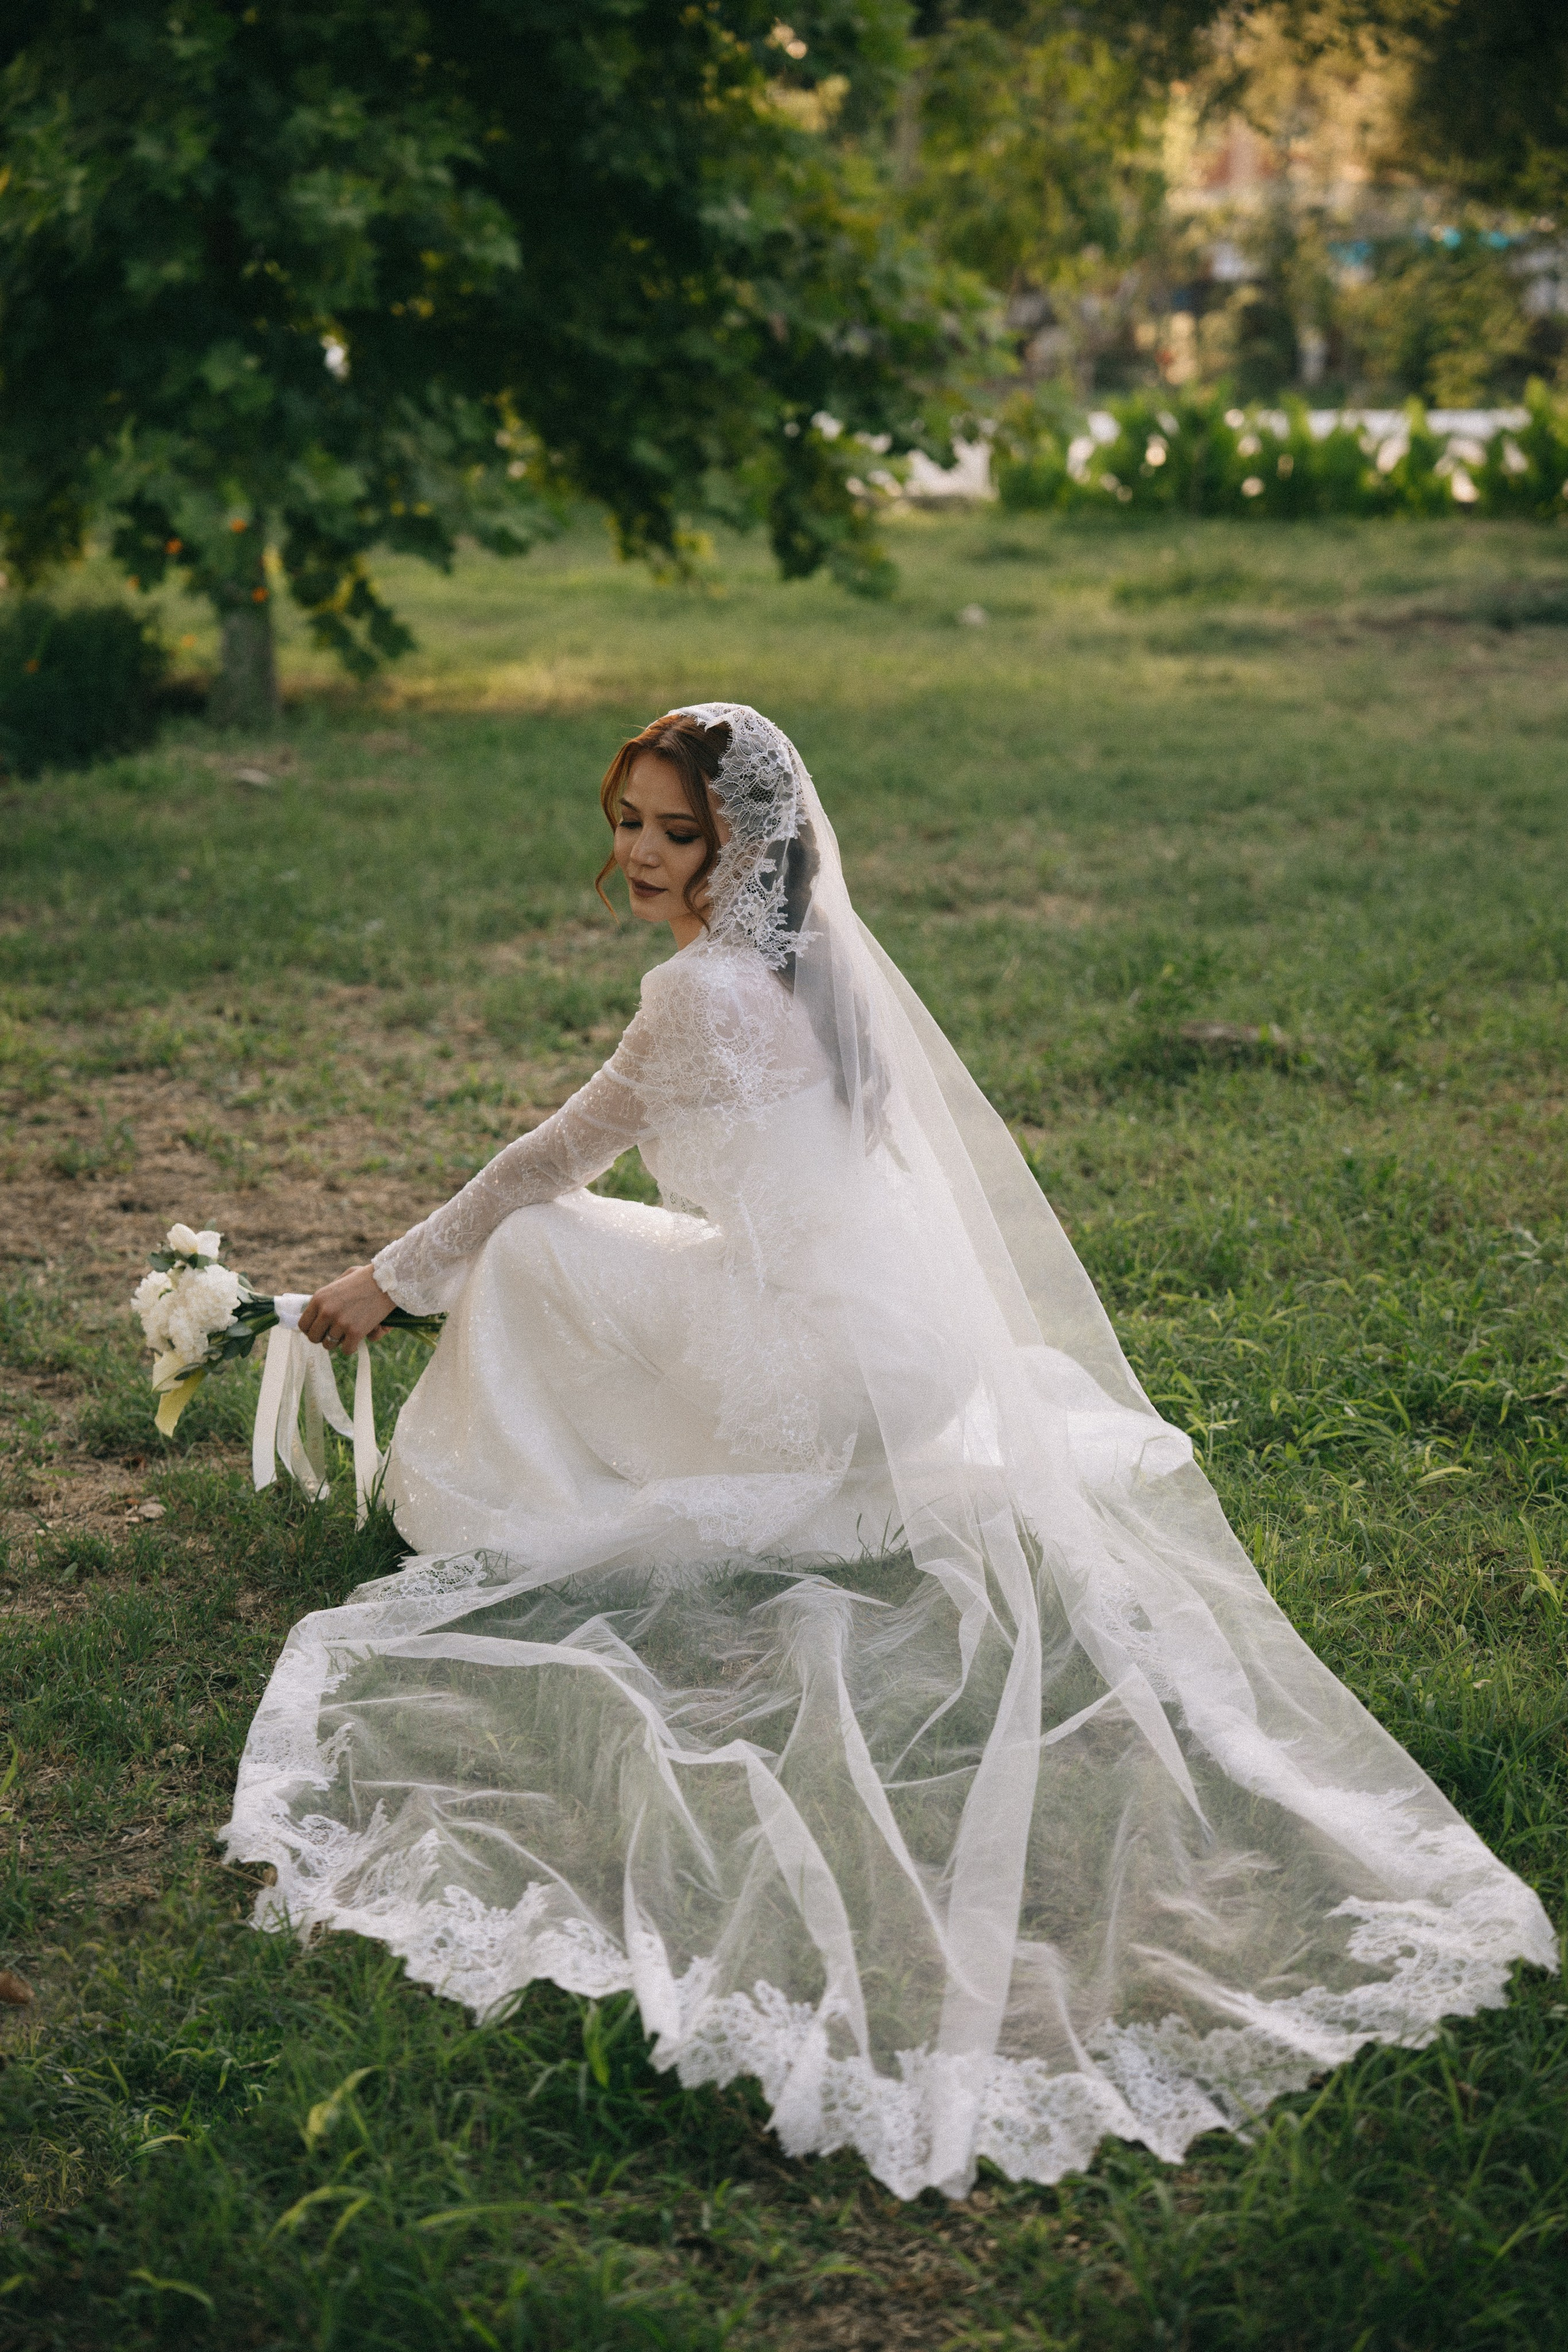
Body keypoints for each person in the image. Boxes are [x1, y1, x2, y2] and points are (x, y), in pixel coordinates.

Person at [225, 704, 1553, 2201]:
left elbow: (551, 1155)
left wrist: (388, 1277)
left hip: (812, 1373)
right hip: (911, 1356)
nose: (643, 856)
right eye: (628, 822)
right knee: (630, 1248)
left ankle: (518, 1495)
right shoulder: (825, 968)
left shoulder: (693, 999)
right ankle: (670, 1449)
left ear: (749, 845)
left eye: (679, 833)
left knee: (535, 1244)